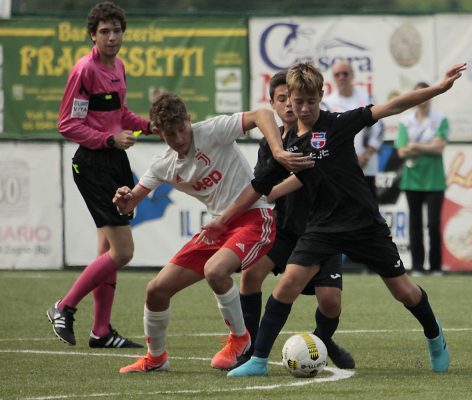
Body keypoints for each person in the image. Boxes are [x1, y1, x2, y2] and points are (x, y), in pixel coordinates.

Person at [223, 61, 466, 377]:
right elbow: (258, 186)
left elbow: (391, 107)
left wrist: (439, 87)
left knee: (403, 292)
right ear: (289, 100)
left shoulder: (338, 123)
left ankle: (435, 337)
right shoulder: (288, 149)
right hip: (322, 228)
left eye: (311, 101)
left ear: (322, 95)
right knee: (286, 286)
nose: (305, 108)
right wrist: (223, 220)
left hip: (364, 224)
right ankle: (257, 360)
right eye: (298, 102)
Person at [115, 93, 311, 373]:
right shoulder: (163, 164)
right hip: (219, 226)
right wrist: (124, 200)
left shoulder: (210, 131)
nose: (180, 138)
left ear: (189, 120)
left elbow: (262, 115)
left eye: (183, 129)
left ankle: (240, 338)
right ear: (159, 133)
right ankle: (156, 358)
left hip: (255, 217)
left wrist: (278, 151)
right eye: (171, 134)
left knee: (215, 270)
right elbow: (131, 202)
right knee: (156, 290)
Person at [208, 71, 355, 369]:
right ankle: (248, 347)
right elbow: (260, 188)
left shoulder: (316, 135)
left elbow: (293, 179)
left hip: (320, 231)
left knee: (330, 301)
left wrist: (270, 189)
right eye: (282, 99)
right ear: (273, 104)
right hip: (284, 231)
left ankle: (323, 341)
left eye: (294, 99)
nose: (290, 105)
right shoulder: (270, 145)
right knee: (250, 275)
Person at [47, 1, 152, 349]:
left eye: (116, 30)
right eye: (104, 31)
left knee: (108, 248)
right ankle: (63, 307)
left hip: (114, 163)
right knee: (123, 252)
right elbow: (67, 124)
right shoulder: (84, 70)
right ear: (92, 35)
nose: (111, 37)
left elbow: (121, 116)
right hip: (92, 165)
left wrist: (152, 126)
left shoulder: (118, 66)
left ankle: (101, 331)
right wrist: (108, 139)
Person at [395, 82, 448, 276]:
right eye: (419, 95)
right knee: (415, 224)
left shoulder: (440, 120)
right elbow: (401, 151)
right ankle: (417, 266)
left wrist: (415, 147)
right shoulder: (405, 121)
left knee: (433, 224)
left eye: (426, 95)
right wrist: (427, 146)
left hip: (434, 180)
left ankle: (435, 267)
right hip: (412, 180)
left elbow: (439, 147)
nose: (423, 100)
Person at [322, 60, 384, 197]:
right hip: (339, 168)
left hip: (366, 167)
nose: (341, 77)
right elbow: (326, 135)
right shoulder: (327, 104)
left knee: (368, 212)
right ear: (333, 77)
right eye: (337, 74)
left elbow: (379, 129)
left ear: (352, 75)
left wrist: (366, 156)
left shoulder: (367, 98)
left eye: (345, 73)